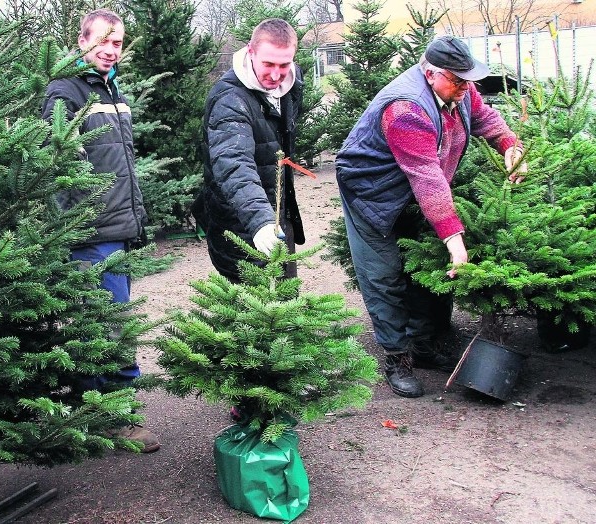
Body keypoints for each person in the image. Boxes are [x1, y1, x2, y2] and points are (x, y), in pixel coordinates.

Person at [335, 36, 527, 398]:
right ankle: (397, 357)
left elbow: (486, 117)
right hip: (372, 193)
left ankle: (425, 345)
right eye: (457, 80)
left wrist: (511, 146)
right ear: (430, 73)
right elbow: (427, 176)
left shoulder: (460, 89)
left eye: (468, 79)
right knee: (384, 274)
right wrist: (455, 240)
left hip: (415, 187)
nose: (466, 87)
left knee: (430, 267)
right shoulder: (406, 109)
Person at [42, 9, 159, 452]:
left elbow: (120, 162)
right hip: (92, 230)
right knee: (113, 323)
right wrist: (82, 218)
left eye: (118, 43)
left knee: (103, 321)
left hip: (118, 224)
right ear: (81, 41)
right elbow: (57, 164)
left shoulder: (111, 90)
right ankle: (118, 417)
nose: (111, 50)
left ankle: (91, 413)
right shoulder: (64, 92)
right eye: (103, 41)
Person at [195, 18, 305, 282]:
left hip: (278, 213)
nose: (277, 75)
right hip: (239, 226)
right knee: (250, 309)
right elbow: (234, 163)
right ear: (250, 51)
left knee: (286, 298)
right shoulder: (230, 100)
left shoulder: (292, 81)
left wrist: (276, 218)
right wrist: (260, 221)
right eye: (268, 64)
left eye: (284, 64)